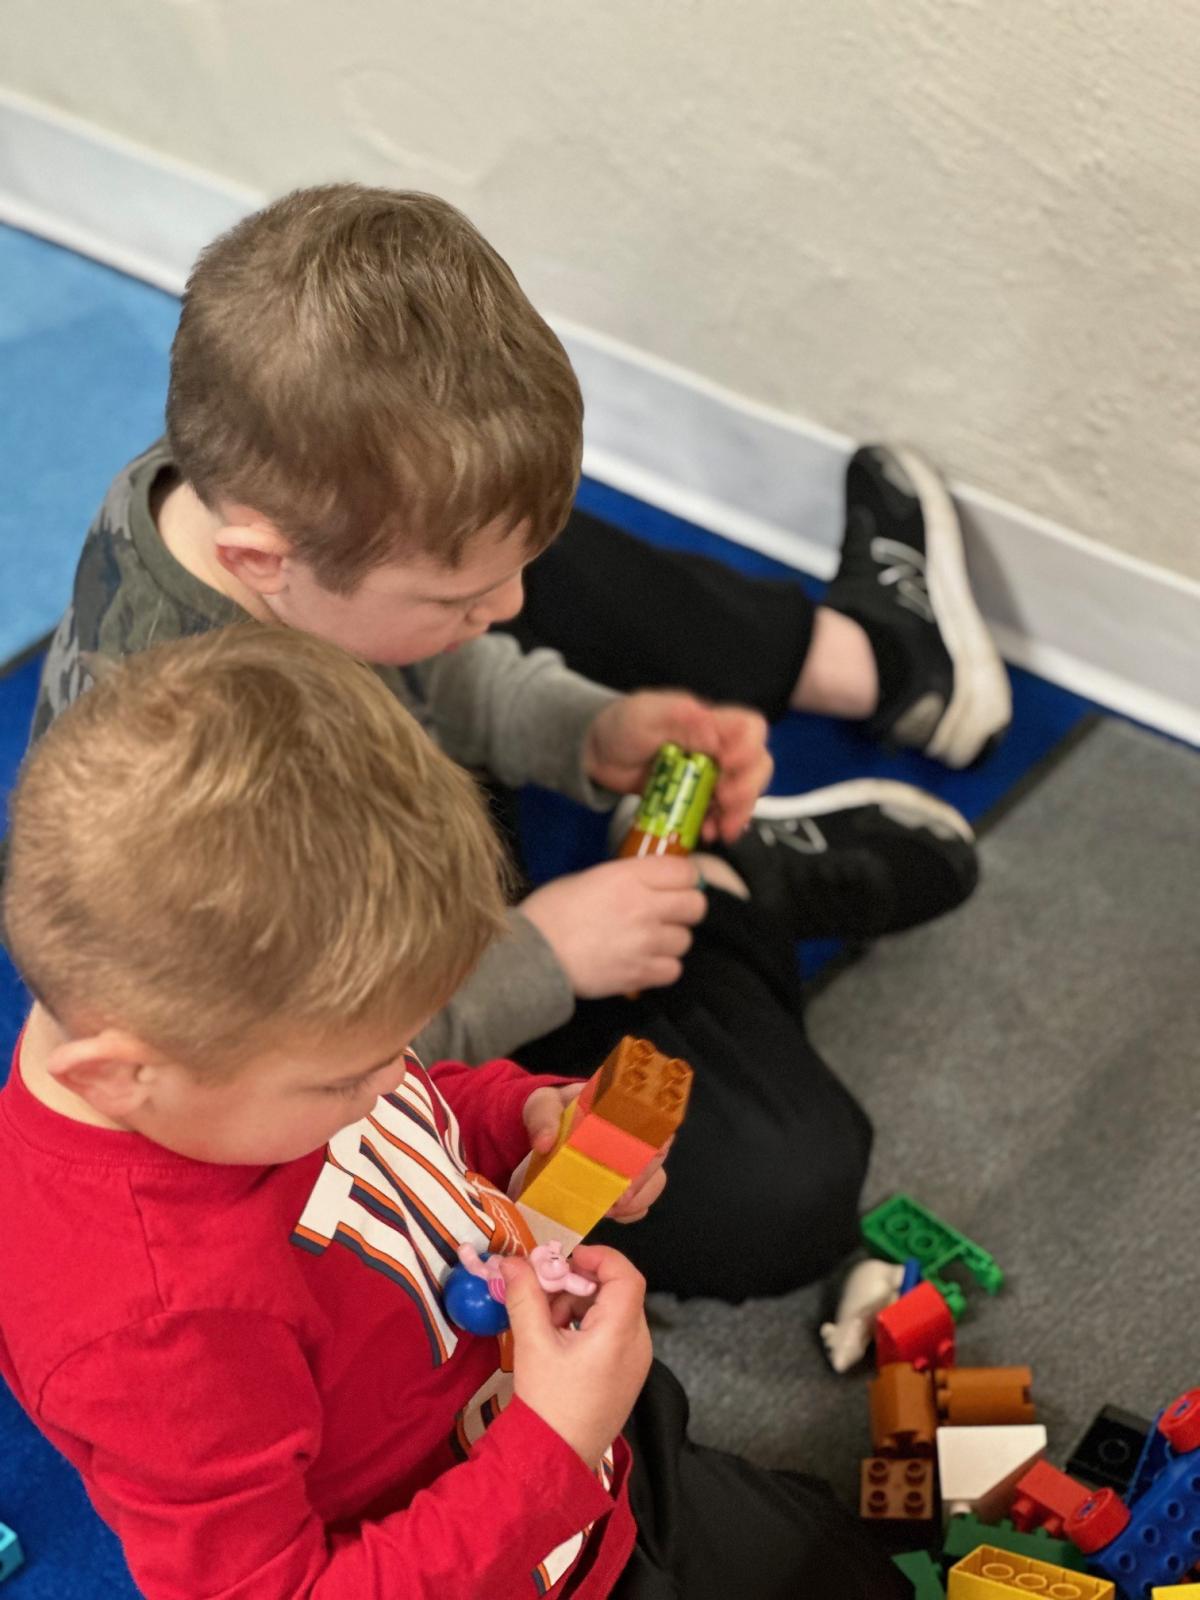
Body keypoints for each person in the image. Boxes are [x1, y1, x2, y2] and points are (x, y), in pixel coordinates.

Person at [28, 184, 995, 1301]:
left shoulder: (250, 488)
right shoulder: (191, 803)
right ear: (260, 561)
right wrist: (546, 954)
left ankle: (876, 660)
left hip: (384, 781)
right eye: (467, 595)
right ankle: (731, 895)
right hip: (338, 984)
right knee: (783, 1189)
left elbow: (435, 652)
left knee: (481, 523)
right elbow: (305, 1054)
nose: (511, 604)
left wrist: (585, 728)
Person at [0, 627, 907, 1599]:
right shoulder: (147, 1327)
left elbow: (413, 1114)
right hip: (505, 1535)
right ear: (120, 1077)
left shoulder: (246, 1076)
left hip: (590, 1452)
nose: (399, 1078)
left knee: (837, 1565)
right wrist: (551, 1452)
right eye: (347, 1075)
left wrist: (521, 1116)